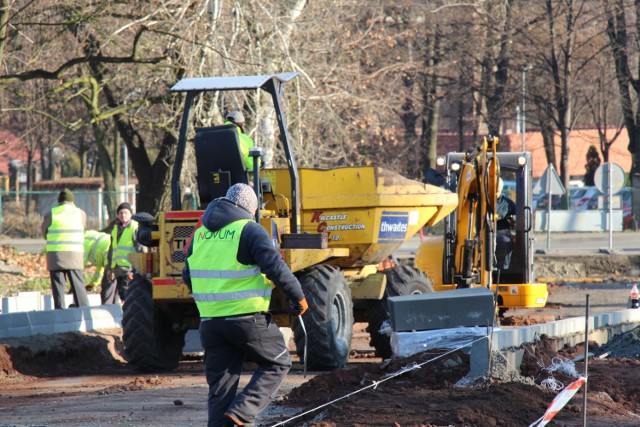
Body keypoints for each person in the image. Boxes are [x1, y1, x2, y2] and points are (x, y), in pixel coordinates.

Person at [182, 183, 308, 427]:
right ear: (251, 208)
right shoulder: (250, 229)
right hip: (247, 319)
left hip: (210, 323)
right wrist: (298, 297)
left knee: (220, 388)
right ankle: (243, 410)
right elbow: (276, 268)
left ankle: (229, 418)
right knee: (278, 362)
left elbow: (187, 276)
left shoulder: (200, 234)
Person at [42, 188, 89, 309]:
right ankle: (83, 310)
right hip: (75, 254)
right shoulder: (81, 213)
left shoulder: (52, 213)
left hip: (56, 254)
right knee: (78, 284)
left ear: (59, 201)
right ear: (72, 201)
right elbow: (84, 230)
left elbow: (44, 231)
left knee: (58, 286)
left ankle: (60, 311)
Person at [101, 202, 143, 304]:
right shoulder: (115, 230)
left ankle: (128, 315)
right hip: (118, 269)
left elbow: (140, 249)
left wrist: (139, 268)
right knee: (122, 294)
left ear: (131, 214)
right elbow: (112, 250)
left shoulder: (134, 228)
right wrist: (109, 268)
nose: (123, 215)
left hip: (130, 269)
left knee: (126, 294)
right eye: (121, 213)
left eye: (126, 212)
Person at [495, 178, 516, 270]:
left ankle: (503, 268)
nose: (495, 193)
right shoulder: (481, 202)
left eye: (497, 191)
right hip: (483, 232)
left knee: (504, 241)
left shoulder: (508, 204)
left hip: (501, 232)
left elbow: (516, 218)